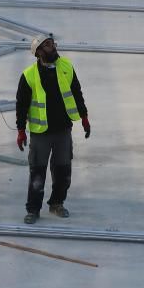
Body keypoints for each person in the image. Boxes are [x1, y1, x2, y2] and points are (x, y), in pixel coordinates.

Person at [16, 34, 90, 224]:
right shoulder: (28, 75)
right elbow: (21, 105)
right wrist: (21, 130)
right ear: (39, 52)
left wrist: (84, 117)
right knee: (37, 173)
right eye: (48, 45)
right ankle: (33, 210)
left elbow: (76, 92)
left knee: (63, 171)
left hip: (63, 130)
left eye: (52, 44)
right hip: (41, 133)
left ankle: (57, 203)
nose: (53, 47)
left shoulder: (66, 66)